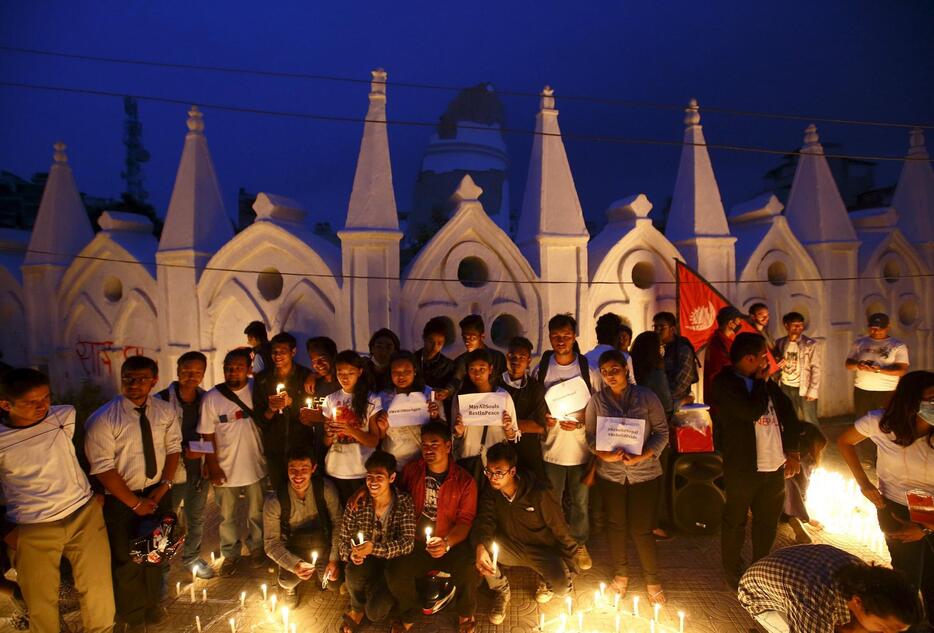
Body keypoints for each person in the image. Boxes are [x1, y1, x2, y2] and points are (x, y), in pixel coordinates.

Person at [0, 368, 115, 632]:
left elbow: (83, 451)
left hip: (83, 513)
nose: (43, 406)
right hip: (33, 525)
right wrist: (6, 530)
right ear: (6, 404)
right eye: (32, 402)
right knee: (41, 600)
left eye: (46, 398)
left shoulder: (63, 416)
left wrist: (96, 488)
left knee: (98, 588)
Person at [84, 355, 181, 630]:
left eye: (141, 379)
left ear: (154, 380)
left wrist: (164, 487)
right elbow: (102, 468)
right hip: (122, 500)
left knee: (156, 553)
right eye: (128, 378)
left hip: (158, 493)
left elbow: (173, 447)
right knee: (127, 560)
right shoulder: (103, 419)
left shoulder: (164, 411)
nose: (134, 384)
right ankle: (132, 615)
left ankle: (152, 605)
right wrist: (135, 503)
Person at [836, 370, 934, 628]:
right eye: (931, 399)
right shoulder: (881, 423)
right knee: (906, 576)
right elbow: (845, 442)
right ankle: (907, 624)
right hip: (894, 506)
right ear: (911, 400)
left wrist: (925, 526)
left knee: (933, 575)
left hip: (931, 506)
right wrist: (864, 484)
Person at [708, 333, 801, 589]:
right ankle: (732, 568)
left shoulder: (766, 383)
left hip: (773, 466)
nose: (765, 361)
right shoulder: (725, 383)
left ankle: (761, 566)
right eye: (762, 356)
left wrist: (792, 451)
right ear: (750, 358)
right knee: (735, 520)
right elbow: (750, 411)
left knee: (767, 522)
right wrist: (761, 383)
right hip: (742, 467)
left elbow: (790, 416)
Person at [585, 350, 669, 603]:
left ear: (625, 369)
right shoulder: (597, 401)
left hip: (644, 474)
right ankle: (621, 576)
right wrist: (603, 455)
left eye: (615, 369)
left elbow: (662, 432)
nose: (610, 375)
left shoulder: (646, 396)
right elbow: (590, 436)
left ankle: (652, 580)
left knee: (641, 529)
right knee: (616, 525)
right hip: (611, 474)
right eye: (605, 371)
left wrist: (642, 456)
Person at [387, 421, 481, 633]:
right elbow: (396, 497)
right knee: (396, 573)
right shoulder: (412, 471)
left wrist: (446, 542)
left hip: (450, 542)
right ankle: (408, 615)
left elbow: (466, 520)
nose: (428, 450)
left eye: (434, 444)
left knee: (468, 570)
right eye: (424, 445)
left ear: (448, 446)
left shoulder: (464, 481)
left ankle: (465, 615)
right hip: (417, 542)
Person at [474, 442, 578, 623]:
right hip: (511, 547)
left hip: (543, 551)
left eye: (499, 472)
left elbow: (561, 530)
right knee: (480, 546)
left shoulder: (538, 493)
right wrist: (481, 546)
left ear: (512, 472)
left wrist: (571, 566)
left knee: (562, 588)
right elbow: (485, 520)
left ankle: (545, 580)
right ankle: (500, 589)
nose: (493, 478)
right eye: (489, 472)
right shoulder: (492, 491)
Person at [535, 313, 599, 571]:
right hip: (551, 448)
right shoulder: (541, 367)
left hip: (581, 449)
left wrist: (584, 419)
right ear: (549, 336)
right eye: (555, 336)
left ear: (574, 336)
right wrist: (543, 418)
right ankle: (557, 544)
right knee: (552, 501)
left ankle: (579, 544)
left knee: (580, 502)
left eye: (566, 335)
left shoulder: (587, 370)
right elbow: (535, 402)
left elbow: (599, 405)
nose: (560, 340)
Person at [738, 543, 922, 633]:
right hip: (759, 598)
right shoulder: (813, 599)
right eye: (883, 629)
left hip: (798, 573)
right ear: (857, 602)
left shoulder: (865, 579)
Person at [199, 348, 268, 576]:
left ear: (248, 370)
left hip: (255, 465)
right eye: (229, 368)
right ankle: (230, 554)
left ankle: (257, 548)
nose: (232, 373)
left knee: (256, 512)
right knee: (226, 516)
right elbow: (207, 435)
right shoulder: (211, 398)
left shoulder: (257, 391)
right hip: (225, 468)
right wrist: (213, 466)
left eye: (238, 368)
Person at [339, 450, 415, 633]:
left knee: (375, 613)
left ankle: (388, 596)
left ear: (392, 477)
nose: (373, 482)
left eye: (379, 477)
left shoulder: (403, 502)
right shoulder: (357, 503)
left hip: (393, 563)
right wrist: (351, 554)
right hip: (367, 562)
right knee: (353, 570)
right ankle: (356, 608)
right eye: (369, 477)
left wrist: (374, 548)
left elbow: (407, 543)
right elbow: (342, 540)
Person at [155, 351, 213, 579]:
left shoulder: (207, 399)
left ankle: (192, 557)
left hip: (197, 471)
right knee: (167, 521)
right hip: (171, 473)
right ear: (177, 370)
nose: (192, 376)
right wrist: (181, 451)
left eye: (197, 372)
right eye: (187, 371)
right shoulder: (161, 401)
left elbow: (215, 437)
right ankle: (162, 567)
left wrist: (206, 456)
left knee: (196, 517)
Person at [264, 446, 342, 608]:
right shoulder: (275, 500)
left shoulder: (325, 489)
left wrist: (334, 559)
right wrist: (295, 565)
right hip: (293, 548)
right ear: (287, 470)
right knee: (288, 581)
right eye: (293, 469)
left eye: (304, 469)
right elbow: (271, 543)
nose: (298, 475)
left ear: (313, 469)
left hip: (322, 544)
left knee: (332, 583)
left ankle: (320, 573)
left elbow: (338, 522)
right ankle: (289, 587)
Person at [253, 332, 313, 491]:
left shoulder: (305, 376)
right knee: (280, 490)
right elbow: (260, 420)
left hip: (301, 444)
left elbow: (312, 412)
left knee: (303, 489)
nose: (277, 356)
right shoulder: (263, 379)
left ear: (293, 352)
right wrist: (271, 409)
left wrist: (293, 403)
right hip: (275, 447)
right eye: (274, 352)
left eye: (282, 351)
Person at [629, 331, 674, 540]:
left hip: (636, 431)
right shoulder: (656, 373)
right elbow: (666, 404)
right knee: (656, 479)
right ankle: (653, 524)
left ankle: (636, 521)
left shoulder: (633, 369)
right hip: (655, 431)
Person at [323, 350, 383, 504]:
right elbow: (326, 442)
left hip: (361, 469)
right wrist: (329, 434)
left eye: (350, 372)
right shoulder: (330, 400)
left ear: (360, 372)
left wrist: (350, 430)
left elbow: (373, 441)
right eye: (340, 372)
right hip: (335, 468)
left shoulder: (372, 400)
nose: (345, 377)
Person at [452, 349, 519, 477]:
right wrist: (458, 432)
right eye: (472, 369)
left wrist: (509, 429)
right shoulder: (461, 398)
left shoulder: (503, 397)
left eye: (482, 369)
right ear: (467, 371)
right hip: (469, 459)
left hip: (496, 463)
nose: (477, 374)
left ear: (490, 369)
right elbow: (455, 436)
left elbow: (513, 435)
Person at [375, 351, 444, 469]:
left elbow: (443, 432)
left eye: (407, 372)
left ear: (415, 371)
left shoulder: (429, 394)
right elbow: (378, 438)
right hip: (393, 463)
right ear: (390, 373)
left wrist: (435, 417)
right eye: (396, 372)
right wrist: (381, 429)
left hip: (423, 463)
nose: (401, 376)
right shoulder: (382, 397)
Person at [845, 313, 910, 420]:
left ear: (888, 327)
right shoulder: (859, 343)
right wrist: (858, 365)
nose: (876, 332)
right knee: (863, 421)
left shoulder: (898, 345)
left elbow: (901, 370)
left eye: (880, 329)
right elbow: (848, 364)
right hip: (862, 389)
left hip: (886, 390)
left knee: (884, 420)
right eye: (873, 328)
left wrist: (879, 370)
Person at [501, 336, 548, 479]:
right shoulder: (494, 383)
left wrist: (509, 426)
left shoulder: (535, 388)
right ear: (506, 357)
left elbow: (540, 426)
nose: (516, 360)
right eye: (512, 356)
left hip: (527, 451)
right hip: (500, 450)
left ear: (528, 361)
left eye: (522, 357)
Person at [300, 336, 341, 468]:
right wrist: (308, 420)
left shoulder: (343, 384)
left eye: (322, 359)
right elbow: (313, 417)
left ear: (333, 356)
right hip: (320, 449)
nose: (318, 364)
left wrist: (320, 418)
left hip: (342, 451)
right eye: (314, 361)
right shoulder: (314, 385)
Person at [783, 422, 827, 544]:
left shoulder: (802, 458)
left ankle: (801, 518)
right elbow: (800, 488)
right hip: (779, 502)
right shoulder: (803, 459)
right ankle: (798, 528)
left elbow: (803, 486)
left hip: (783, 500)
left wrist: (806, 515)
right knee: (788, 487)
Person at [774, 312, 820, 425]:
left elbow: (816, 368)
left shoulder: (810, 344)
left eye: (800, 325)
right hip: (785, 386)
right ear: (786, 326)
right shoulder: (780, 342)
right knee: (790, 418)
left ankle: (817, 442)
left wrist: (813, 390)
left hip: (803, 388)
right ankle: (795, 441)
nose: (798, 328)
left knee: (810, 420)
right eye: (795, 325)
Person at [652, 311, 698, 410]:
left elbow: (682, 383)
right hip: (658, 400)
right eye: (655, 327)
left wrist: (664, 399)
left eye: (662, 327)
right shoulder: (654, 348)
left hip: (676, 403)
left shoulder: (683, 349)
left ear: (672, 329)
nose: (657, 330)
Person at [451, 315, 507, 392]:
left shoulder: (498, 358)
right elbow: (456, 380)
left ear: (482, 336)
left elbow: (504, 383)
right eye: (465, 338)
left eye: (472, 338)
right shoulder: (461, 360)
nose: (467, 342)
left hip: (495, 401)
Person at [703, 306, 744, 404]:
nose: (740, 325)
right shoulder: (717, 342)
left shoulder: (726, 341)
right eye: (738, 323)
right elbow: (722, 368)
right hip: (721, 397)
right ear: (730, 323)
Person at [629, 332, 673, 420]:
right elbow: (667, 406)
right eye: (660, 346)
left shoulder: (630, 366)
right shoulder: (655, 373)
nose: (662, 349)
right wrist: (683, 401)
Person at [583, 313, 634, 386]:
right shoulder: (624, 357)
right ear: (617, 335)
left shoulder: (585, 358)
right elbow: (632, 387)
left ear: (597, 334)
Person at [415, 317, 457, 401]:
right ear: (424, 338)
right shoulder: (411, 361)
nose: (435, 347)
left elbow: (452, 387)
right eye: (431, 342)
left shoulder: (448, 366)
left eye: (439, 343)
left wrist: (446, 393)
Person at [368, 328, 401, 393]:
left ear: (395, 351)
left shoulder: (400, 373)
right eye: (379, 346)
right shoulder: (360, 371)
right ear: (372, 348)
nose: (383, 351)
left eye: (388, 347)